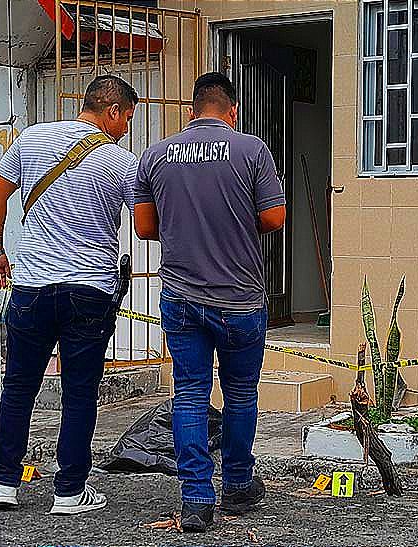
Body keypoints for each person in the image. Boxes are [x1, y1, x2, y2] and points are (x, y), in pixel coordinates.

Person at [0, 75, 139, 514]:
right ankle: (69, 490)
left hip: (31, 286)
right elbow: (147, 225)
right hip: (90, 289)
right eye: (127, 117)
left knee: (19, 386)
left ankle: (3, 483)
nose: (126, 127)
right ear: (112, 111)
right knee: (80, 392)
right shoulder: (121, 161)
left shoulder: (32, 137)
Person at [134, 72, 286, 532]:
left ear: (192, 110)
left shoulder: (156, 154)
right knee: (240, 394)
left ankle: (196, 500)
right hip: (240, 299)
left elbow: (144, 227)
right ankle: (237, 484)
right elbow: (274, 217)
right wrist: (234, 224)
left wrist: (185, 228)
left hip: (181, 297)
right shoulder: (252, 150)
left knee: (189, 395)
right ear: (232, 111)